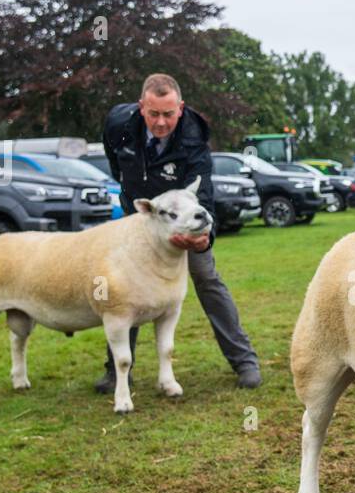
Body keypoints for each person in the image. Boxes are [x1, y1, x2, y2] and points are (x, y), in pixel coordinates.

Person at [96, 73, 261, 392]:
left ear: (180, 108)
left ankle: (245, 361)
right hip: (142, 215)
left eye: (168, 114)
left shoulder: (193, 137)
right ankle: (117, 372)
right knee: (125, 287)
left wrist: (202, 240)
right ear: (141, 106)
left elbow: (206, 194)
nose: (160, 122)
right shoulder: (118, 124)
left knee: (205, 275)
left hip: (182, 217)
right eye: (153, 113)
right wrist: (132, 197)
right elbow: (117, 167)